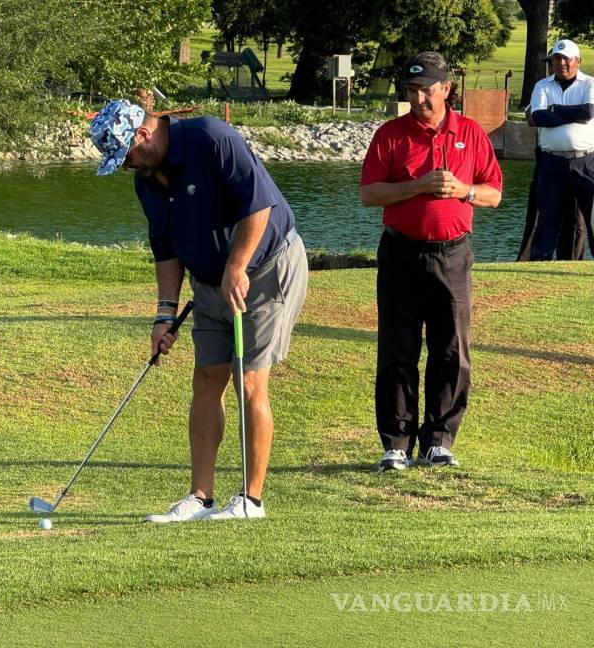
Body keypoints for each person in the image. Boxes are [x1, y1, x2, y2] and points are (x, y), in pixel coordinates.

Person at [88, 99, 308, 521]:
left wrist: (236, 267)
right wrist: (164, 314)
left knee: (248, 380)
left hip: (264, 269)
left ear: (144, 134)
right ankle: (201, 497)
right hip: (209, 282)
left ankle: (250, 500)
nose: (126, 166)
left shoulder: (212, 138)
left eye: (126, 156)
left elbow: (258, 205)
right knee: (207, 378)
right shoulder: (147, 179)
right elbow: (165, 247)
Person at [360, 52, 503, 472]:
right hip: (401, 252)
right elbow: (369, 194)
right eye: (412, 90)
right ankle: (396, 444)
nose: (419, 98)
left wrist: (463, 190)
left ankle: (439, 440)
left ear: (446, 89)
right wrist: (417, 186)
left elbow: (494, 194)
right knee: (397, 350)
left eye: (427, 90)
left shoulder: (470, 133)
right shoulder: (391, 134)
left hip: (453, 255)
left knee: (451, 350)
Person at [528, 38, 594, 260]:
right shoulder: (542, 85)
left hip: (586, 162)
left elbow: (589, 112)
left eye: (566, 59)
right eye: (556, 59)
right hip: (552, 162)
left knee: (590, 218)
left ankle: (581, 268)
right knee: (548, 216)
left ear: (577, 61)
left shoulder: (590, 84)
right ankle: (540, 265)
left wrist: (554, 110)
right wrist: (571, 115)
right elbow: (537, 117)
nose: (561, 64)